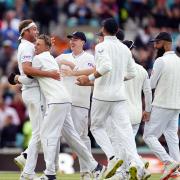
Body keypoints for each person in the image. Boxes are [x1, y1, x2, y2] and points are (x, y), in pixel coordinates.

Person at [76, 18, 146, 179]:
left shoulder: (101, 46)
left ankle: (113, 158)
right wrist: (117, 79)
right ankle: (137, 164)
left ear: (104, 29)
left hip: (103, 96)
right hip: (119, 96)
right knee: (126, 132)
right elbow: (132, 73)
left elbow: (106, 67)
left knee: (96, 127)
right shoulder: (125, 49)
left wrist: (90, 79)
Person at [13, 19, 60, 180]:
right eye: (33, 29)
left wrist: (47, 45)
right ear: (25, 32)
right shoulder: (26, 47)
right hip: (33, 91)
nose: (37, 31)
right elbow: (27, 70)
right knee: (40, 131)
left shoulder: (28, 46)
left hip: (33, 91)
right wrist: (51, 74)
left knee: (39, 131)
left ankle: (27, 167)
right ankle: (26, 166)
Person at [55, 31, 95, 179]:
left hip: (80, 103)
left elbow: (94, 71)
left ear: (83, 42)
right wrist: (66, 63)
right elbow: (51, 63)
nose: (72, 41)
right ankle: (51, 171)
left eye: (76, 39)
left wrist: (74, 72)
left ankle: (87, 170)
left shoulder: (89, 57)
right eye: (71, 39)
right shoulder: (64, 56)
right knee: (58, 136)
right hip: (63, 102)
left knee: (81, 137)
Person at [143, 32, 180, 180]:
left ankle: (169, 162)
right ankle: (176, 171)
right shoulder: (179, 60)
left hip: (162, 104)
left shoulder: (160, 61)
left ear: (165, 43)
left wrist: (143, 77)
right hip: (176, 105)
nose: (154, 45)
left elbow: (151, 84)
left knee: (148, 136)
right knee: (172, 137)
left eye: (157, 43)